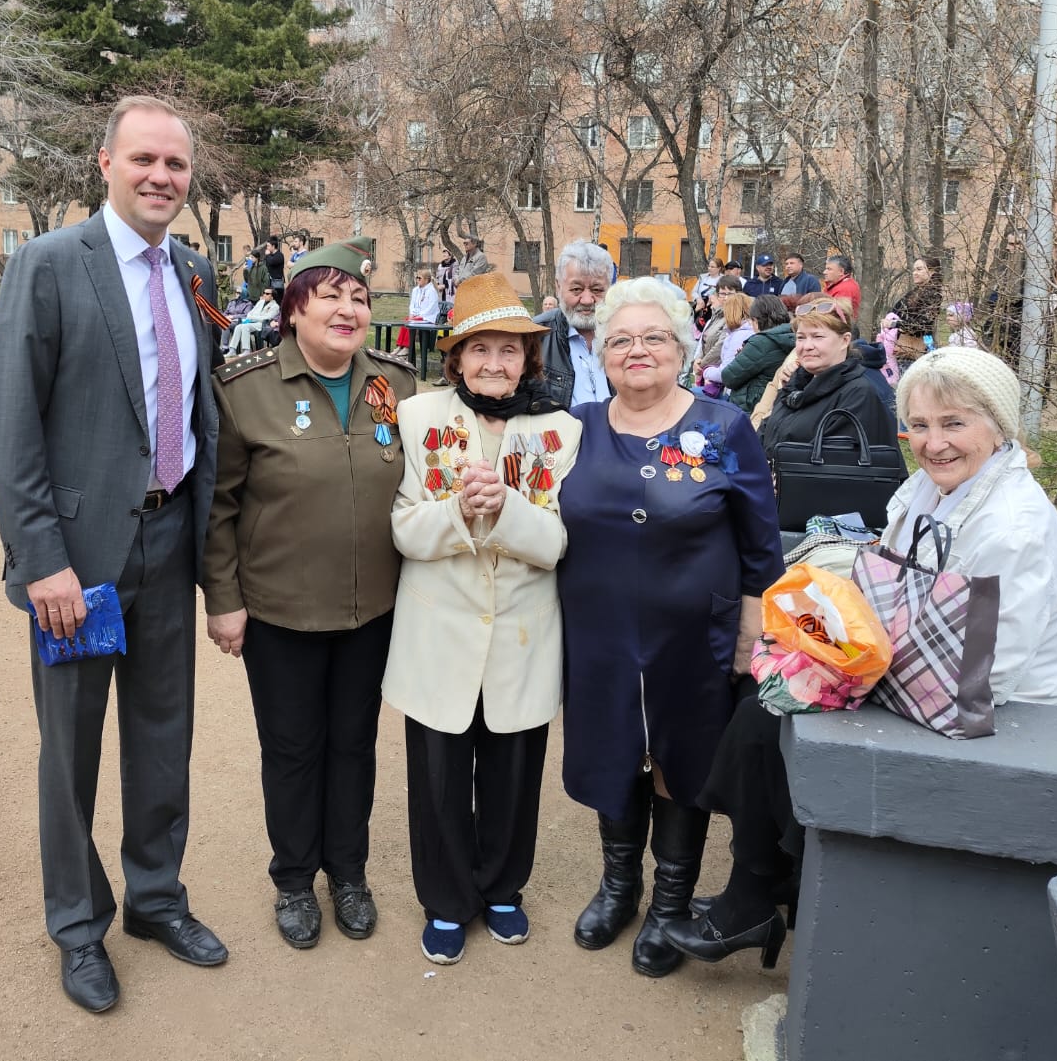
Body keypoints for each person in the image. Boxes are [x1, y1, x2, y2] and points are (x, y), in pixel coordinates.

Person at [677, 348, 1057, 969]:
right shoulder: (933, 488)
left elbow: (990, 669)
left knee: (771, 716)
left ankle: (757, 893)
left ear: (998, 425)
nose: (933, 443)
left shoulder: (1014, 527)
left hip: (980, 705)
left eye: (954, 423)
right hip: (916, 671)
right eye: (919, 425)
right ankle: (776, 876)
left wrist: (849, 673)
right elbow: (890, 584)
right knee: (763, 688)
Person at [0, 94, 230, 1014]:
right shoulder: (49, 265)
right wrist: (40, 559)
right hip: (78, 563)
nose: (161, 176)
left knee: (164, 737)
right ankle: (79, 925)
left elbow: (201, 412)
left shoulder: (195, 270)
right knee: (71, 750)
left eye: (176, 164)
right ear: (105, 164)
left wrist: (212, 558)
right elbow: (12, 428)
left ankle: (156, 898)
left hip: (169, 541)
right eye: (144, 160)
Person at [558, 277, 784, 978]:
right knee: (614, 750)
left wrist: (750, 632)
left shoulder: (724, 428)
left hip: (694, 637)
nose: (638, 350)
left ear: (682, 348)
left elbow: (761, 544)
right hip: (597, 633)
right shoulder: (575, 428)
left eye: (654, 337)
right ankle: (619, 885)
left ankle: (670, 901)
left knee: (678, 760)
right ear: (601, 351)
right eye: (620, 339)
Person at [203, 237, 417, 951]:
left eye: (359, 297)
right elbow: (220, 507)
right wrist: (223, 599)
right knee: (293, 748)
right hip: (280, 610)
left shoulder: (398, 384)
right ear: (294, 309)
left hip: (373, 607)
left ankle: (348, 873)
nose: (348, 309)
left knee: (354, 744)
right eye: (330, 296)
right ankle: (295, 878)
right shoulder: (245, 389)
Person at [383, 274, 581, 966]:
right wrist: (459, 511)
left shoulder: (562, 431)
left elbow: (559, 542)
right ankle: (445, 898)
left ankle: (501, 887)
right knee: (437, 777)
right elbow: (404, 529)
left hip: (524, 633)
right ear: (456, 357)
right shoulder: (417, 418)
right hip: (438, 633)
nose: (494, 363)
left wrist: (507, 509)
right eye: (480, 349)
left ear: (529, 359)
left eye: (509, 350)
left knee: (513, 772)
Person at [758, 297, 904, 518]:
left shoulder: (858, 394)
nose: (807, 346)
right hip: (774, 507)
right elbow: (766, 434)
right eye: (801, 337)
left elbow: (834, 468)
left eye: (818, 337)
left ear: (845, 340)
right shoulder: (796, 386)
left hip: (819, 520)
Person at [537, 239, 613, 407]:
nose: (587, 300)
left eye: (597, 290)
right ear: (558, 287)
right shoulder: (535, 337)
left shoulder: (626, 337)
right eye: (576, 289)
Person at [719, 295, 794, 411]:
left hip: (750, 406)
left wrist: (741, 356)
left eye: (751, 320)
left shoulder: (761, 342)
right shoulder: (791, 334)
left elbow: (728, 377)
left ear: (757, 320)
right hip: (775, 404)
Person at [889, 254, 943, 369]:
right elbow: (896, 310)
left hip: (918, 347)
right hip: (906, 345)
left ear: (932, 272)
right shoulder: (915, 292)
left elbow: (921, 325)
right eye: (914, 270)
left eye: (919, 269)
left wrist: (894, 324)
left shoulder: (934, 295)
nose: (915, 273)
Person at [699, 289, 754, 397]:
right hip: (737, 389)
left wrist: (706, 371)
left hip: (732, 393)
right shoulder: (747, 331)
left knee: (692, 393)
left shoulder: (739, 335)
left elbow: (725, 373)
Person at [693, 276, 746, 383]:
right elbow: (704, 340)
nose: (726, 298)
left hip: (720, 372)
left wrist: (702, 364)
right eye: (722, 294)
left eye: (730, 294)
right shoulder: (716, 314)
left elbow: (720, 345)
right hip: (707, 369)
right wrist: (697, 360)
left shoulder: (736, 317)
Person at [395, 267, 441, 356]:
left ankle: (407, 347)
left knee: (411, 322)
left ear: (426, 280)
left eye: (419, 278)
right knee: (406, 320)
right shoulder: (415, 290)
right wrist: (412, 313)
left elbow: (431, 308)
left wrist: (420, 315)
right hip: (417, 316)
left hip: (428, 317)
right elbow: (412, 304)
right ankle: (400, 346)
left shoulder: (431, 291)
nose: (417, 280)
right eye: (417, 278)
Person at [224, 287, 279, 355]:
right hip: (253, 322)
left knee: (245, 327)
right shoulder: (261, 302)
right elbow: (250, 313)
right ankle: (232, 349)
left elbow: (266, 318)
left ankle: (246, 350)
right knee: (238, 327)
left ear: (272, 296)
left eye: (267, 294)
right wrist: (252, 317)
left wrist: (253, 318)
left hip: (263, 324)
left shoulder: (275, 306)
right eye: (264, 293)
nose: (264, 295)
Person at [823, 254, 862, 319]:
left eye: (829, 269)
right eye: (826, 269)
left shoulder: (846, 288)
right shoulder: (837, 285)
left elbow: (837, 317)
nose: (824, 272)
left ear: (841, 271)